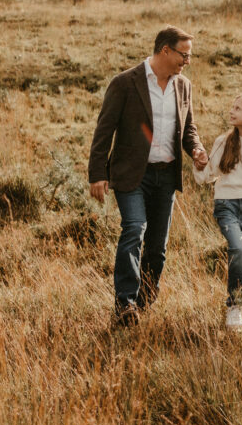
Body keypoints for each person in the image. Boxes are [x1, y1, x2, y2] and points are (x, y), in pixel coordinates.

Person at [88, 26, 208, 322]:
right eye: (184, 54)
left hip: (166, 175)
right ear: (165, 50)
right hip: (132, 175)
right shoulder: (125, 83)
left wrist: (196, 149)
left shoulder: (183, 86)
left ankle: (143, 302)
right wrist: (97, 174)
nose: (187, 61)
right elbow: (104, 130)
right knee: (134, 228)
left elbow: (188, 128)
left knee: (157, 246)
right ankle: (125, 303)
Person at [193, 93, 242, 329]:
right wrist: (198, 163)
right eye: (232, 107)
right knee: (238, 249)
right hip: (226, 204)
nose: (232, 111)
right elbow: (207, 175)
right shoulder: (223, 141)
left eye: (238, 109)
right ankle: (234, 306)